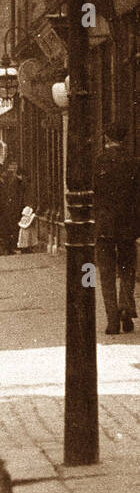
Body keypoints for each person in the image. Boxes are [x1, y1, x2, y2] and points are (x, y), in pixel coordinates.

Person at [94, 121, 140, 335]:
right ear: (124, 139)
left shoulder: (98, 162)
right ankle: (126, 306)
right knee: (128, 268)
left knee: (106, 273)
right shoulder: (134, 162)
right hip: (128, 226)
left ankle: (112, 319)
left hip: (104, 226)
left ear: (106, 138)